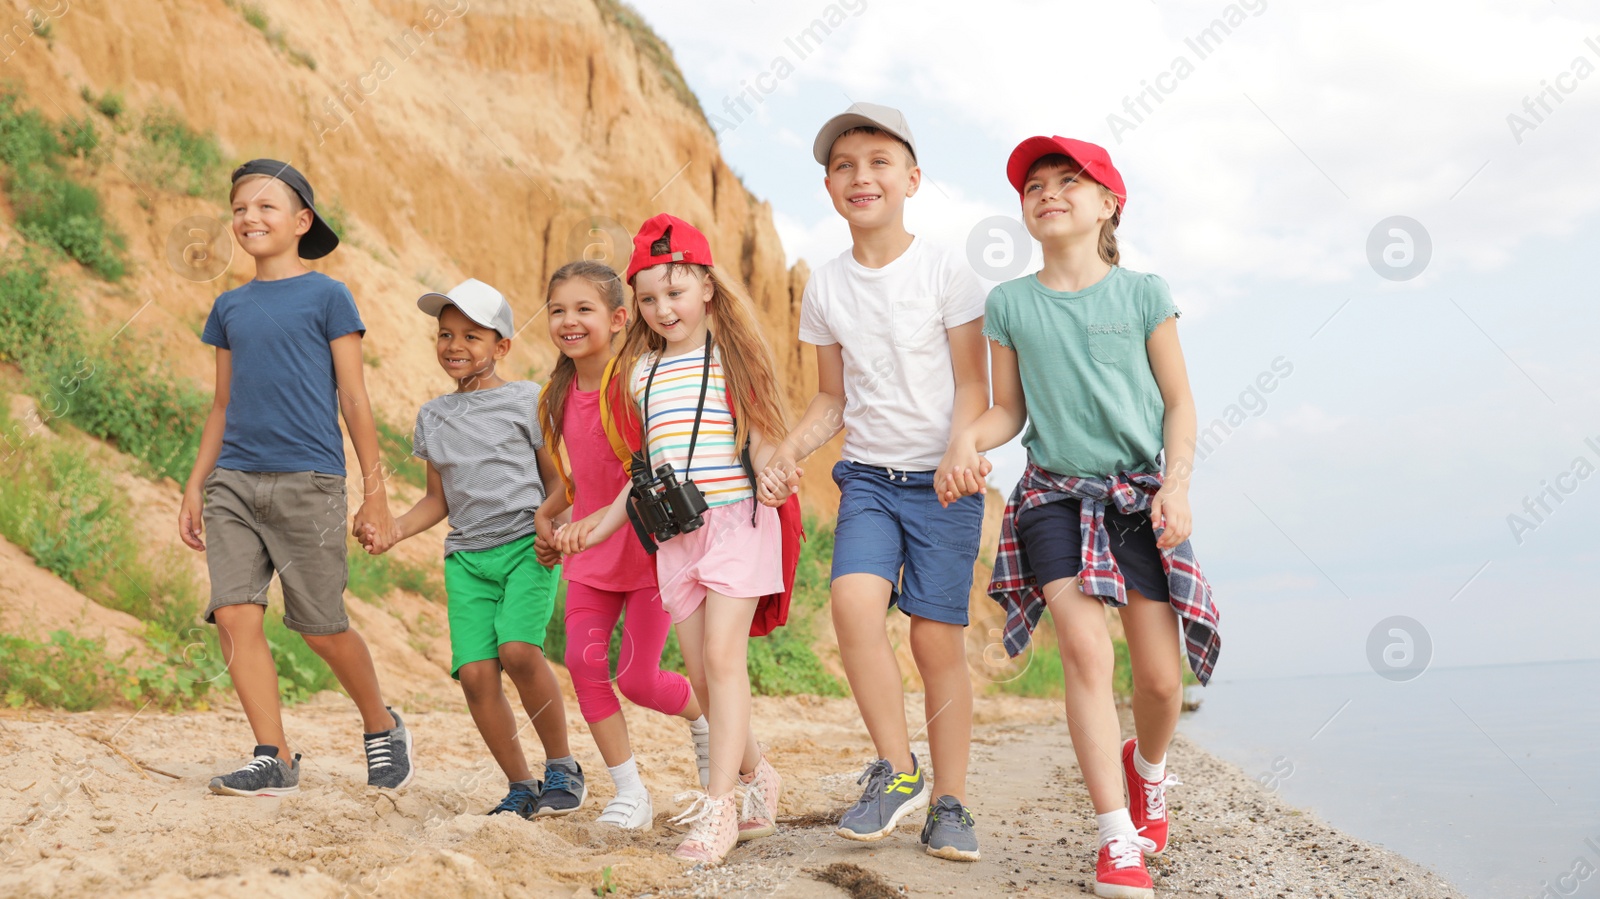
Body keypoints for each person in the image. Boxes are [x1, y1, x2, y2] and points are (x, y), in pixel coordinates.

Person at [945, 136, 1220, 899]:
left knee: (1162, 682)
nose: (1049, 192)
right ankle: (1115, 838)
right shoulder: (1010, 304)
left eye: (1071, 181)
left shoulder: (1143, 294)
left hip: (1140, 496)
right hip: (1054, 496)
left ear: (1108, 204)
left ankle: (1148, 770)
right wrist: (968, 437)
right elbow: (1008, 410)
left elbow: (1179, 402)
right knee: (1086, 653)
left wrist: (1179, 485)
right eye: (1035, 184)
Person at [757, 103, 989, 861]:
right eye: (845, 166)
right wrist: (788, 449)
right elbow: (832, 398)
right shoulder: (825, 286)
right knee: (854, 604)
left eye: (879, 162)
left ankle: (950, 801)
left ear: (912, 179)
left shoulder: (947, 272)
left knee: (935, 642)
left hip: (944, 486)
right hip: (869, 482)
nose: (862, 176)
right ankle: (898, 769)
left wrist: (963, 448)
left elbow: (971, 385)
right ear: (828, 186)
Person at [555, 214, 787, 866]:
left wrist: (773, 466)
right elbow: (641, 478)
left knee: (720, 656)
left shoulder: (734, 359)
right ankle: (757, 773)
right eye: (650, 297)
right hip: (676, 537)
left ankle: (718, 811)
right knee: (706, 681)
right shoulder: (641, 376)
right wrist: (593, 527)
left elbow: (765, 435)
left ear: (707, 287)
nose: (663, 309)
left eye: (676, 292)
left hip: (738, 523)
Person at [178, 159, 414, 797]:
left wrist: (376, 490)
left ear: (301, 221)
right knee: (234, 614)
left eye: (265, 207)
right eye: (239, 209)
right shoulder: (228, 306)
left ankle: (381, 723)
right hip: (233, 482)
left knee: (320, 625)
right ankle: (273, 754)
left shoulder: (328, 296)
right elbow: (222, 404)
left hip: (309, 481)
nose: (249, 218)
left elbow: (355, 398)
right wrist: (197, 482)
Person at [361, 278, 579, 819]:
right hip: (466, 559)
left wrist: (550, 523)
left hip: (527, 547)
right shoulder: (432, 417)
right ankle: (521, 786)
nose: (454, 346)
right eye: (445, 335)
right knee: (478, 674)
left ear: (501, 346)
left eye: (472, 336)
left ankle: (562, 767)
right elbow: (437, 499)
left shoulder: (528, 398)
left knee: (520, 651)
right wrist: (394, 530)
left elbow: (559, 482)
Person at [533, 260, 711, 831]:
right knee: (582, 663)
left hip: (649, 553)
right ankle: (629, 790)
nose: (569, 321)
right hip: (589, 557)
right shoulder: (553, 397)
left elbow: (649, 468)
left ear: (617, 319)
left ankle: (706, 718)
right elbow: (575, 479)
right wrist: (546, 515)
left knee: (637, 678)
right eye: (558, 310)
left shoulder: (635, 385)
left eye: (584, 309)